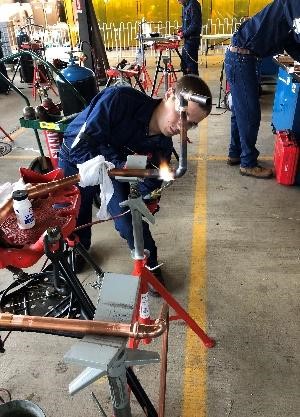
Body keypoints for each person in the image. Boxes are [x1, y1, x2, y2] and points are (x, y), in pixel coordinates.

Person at [58, 75, 212, 293]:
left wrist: (146, 194)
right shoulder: (119, 99)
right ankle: (77, 246)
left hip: (116, 170)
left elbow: (145, 190)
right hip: (78, 159)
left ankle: (150, 266)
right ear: (168, 95)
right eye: (181, 113)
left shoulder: (162, 150)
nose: (182, 126)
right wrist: (118, 165)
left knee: (130, 221)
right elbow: (79, 147)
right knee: (72, 214)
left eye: (191, 124)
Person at [225, 0, 300, 179]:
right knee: (250, 114)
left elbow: (291, 43)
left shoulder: (288, 14)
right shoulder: (295, 3)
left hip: (242, 57)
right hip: (241, 58)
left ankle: (235, 153)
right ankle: (248, 163)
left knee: (240, 111)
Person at [177, 0, 202, 75]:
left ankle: (194, 85)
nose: (178, 2)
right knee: (184, 65)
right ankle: (187, 85)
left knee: (191, 67)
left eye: (179, 0)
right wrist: (182, 29)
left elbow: (195, 25)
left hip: (192, 40)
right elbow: (187, 23)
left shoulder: (193, 5)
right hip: (187, 40)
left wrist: (183, 33)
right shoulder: (185, 6)